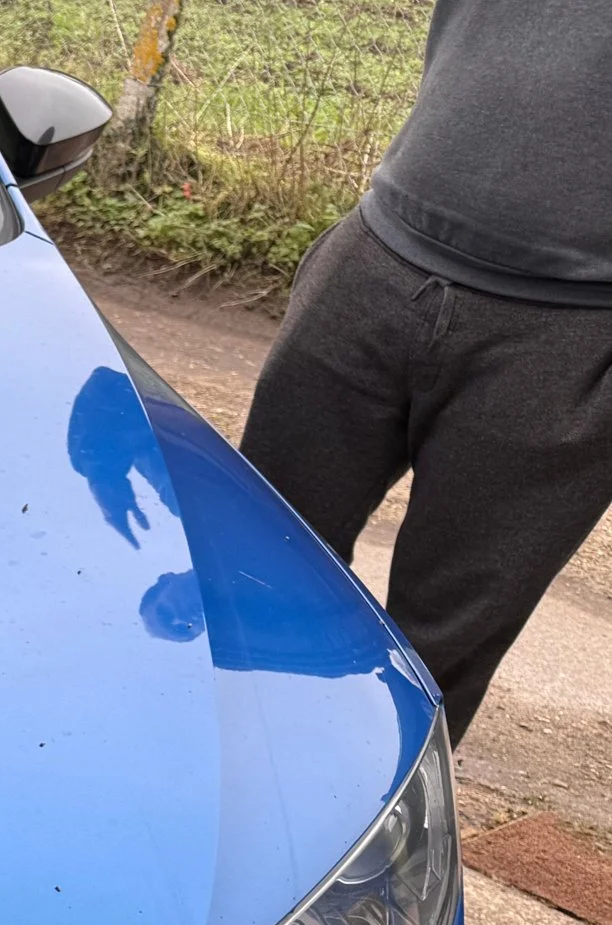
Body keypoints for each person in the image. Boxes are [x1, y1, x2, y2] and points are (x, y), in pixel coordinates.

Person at [238, 0, 612, 742]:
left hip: (573, 332)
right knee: (249, 562)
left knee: (433, 655)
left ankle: (362, 845)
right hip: (381, 254)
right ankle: (210, 780)